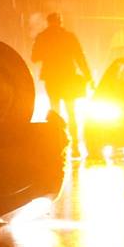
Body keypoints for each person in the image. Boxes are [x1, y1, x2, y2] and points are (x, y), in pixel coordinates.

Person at [32, 13, 92, 156]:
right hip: (68, 78)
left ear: (48, 22)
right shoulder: (69, 37)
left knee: (55, 111)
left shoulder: (42, 37)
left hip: (52, 79)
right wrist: (88, 76)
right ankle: (75, 145)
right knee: (71, 111)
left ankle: (57, 142)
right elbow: (79, 57)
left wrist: (47, 52)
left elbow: (34, 57)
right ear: (60, 22)